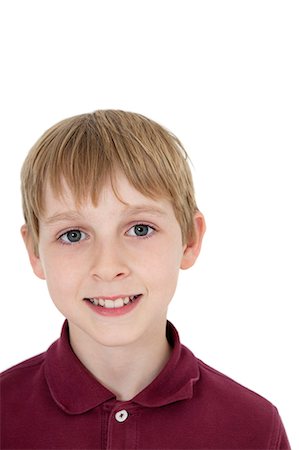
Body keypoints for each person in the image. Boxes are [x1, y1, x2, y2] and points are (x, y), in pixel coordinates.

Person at [0, 110, 290, 449]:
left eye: (140, 229)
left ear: (190, 241)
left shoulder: (252, 427)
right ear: (35, 252)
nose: (108, 267)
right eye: (74, 235)